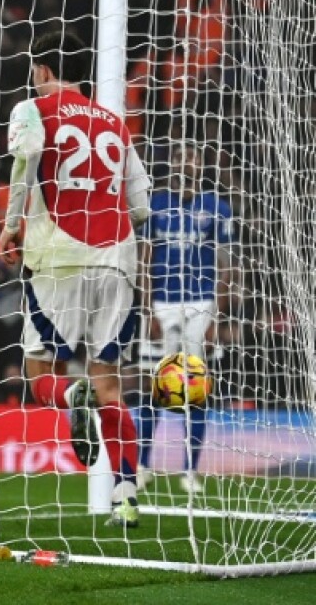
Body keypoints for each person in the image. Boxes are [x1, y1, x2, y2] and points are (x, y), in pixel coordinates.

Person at [0, 30, 152, 528]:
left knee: (40, 373)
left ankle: (68, 397)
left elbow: (23, 168)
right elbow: (142, 205)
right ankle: (126, 496)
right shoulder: (114, 121)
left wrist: (10, 228)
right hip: (118, 260)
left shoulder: (32, 109)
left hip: (58, 259)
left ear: (40, 70)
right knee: (109, 385)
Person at [135, 141, 233, 495]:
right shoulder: (155, 205)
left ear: (201, 164)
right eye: (180, 157)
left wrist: (216, 319)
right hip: (162, 303)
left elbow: (226, 266)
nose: (186, 163)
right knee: (156, 387)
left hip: (200, 305)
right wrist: (147, 310)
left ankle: (190, 470)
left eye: (192, 158)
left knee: (197, 388)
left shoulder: (217, 208)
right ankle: (144, 464)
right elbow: (144, 261)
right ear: (172, 163)